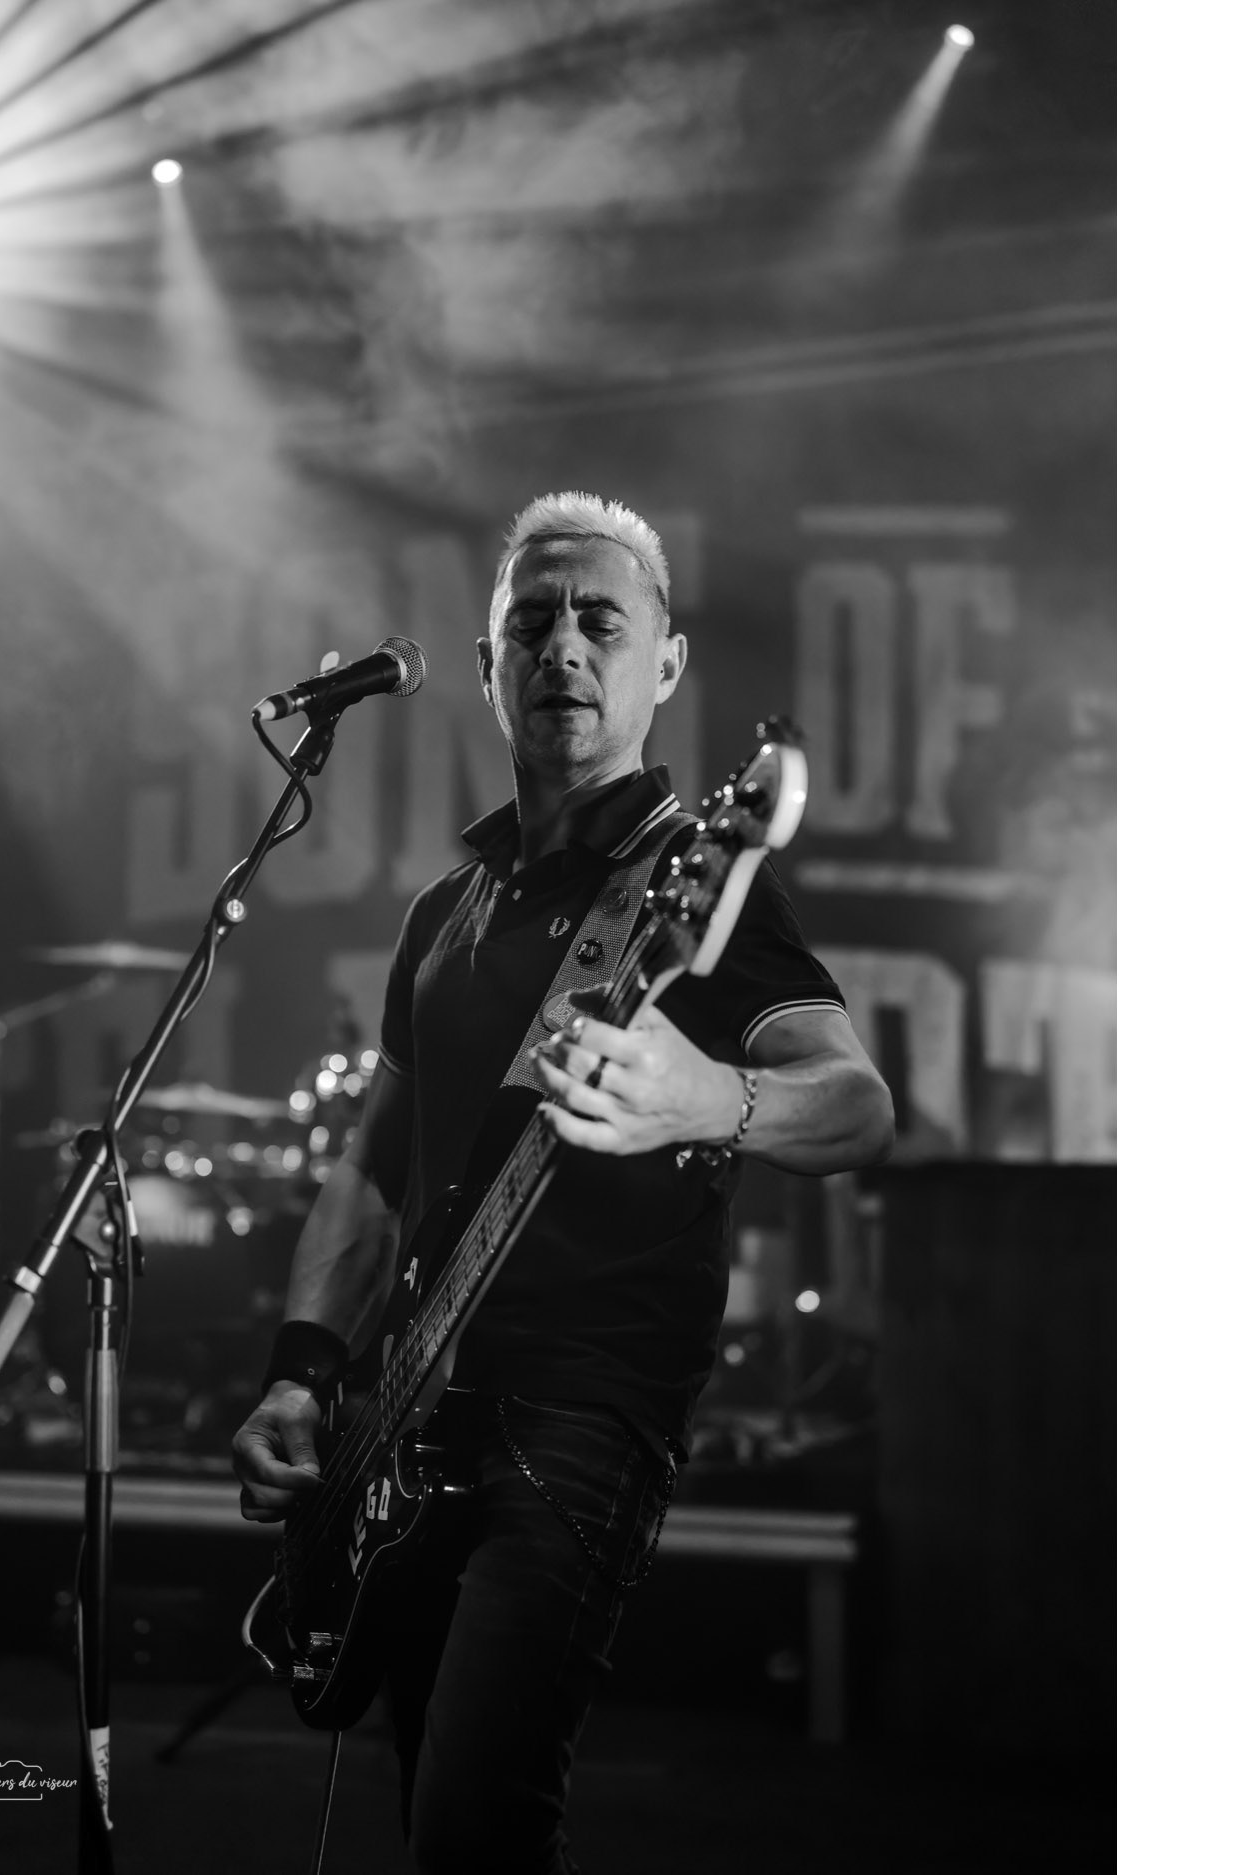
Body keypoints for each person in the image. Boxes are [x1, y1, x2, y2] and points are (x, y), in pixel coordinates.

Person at [233, 491, 894, 1873]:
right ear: (489, 668)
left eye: (603, 621)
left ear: (667, 664)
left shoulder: (698, 883)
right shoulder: (447, 910)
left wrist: (711, 1099)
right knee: (434, 1823)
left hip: (585, 1416)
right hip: (410, 1416)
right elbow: (372, 1171)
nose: (564, 649)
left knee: (479, 1820)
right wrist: (303, 1371)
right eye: (531, 624)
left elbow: (856, 1104)